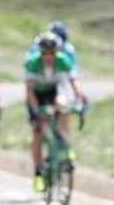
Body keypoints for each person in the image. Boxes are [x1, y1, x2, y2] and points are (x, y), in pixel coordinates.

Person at [24, 31, 85, 192]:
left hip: (53, 91)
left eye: (52, 52)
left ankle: (65, 144)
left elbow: (74, 81)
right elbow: (29, 91)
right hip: (36, 95)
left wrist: (80, 100)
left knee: (64, 106)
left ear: (57, 52)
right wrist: (36, 111)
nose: (48, 56)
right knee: (38, 132)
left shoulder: (63, 61)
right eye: (45, 53)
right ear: (40, 52)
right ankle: (38, 172)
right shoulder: (32, 63)